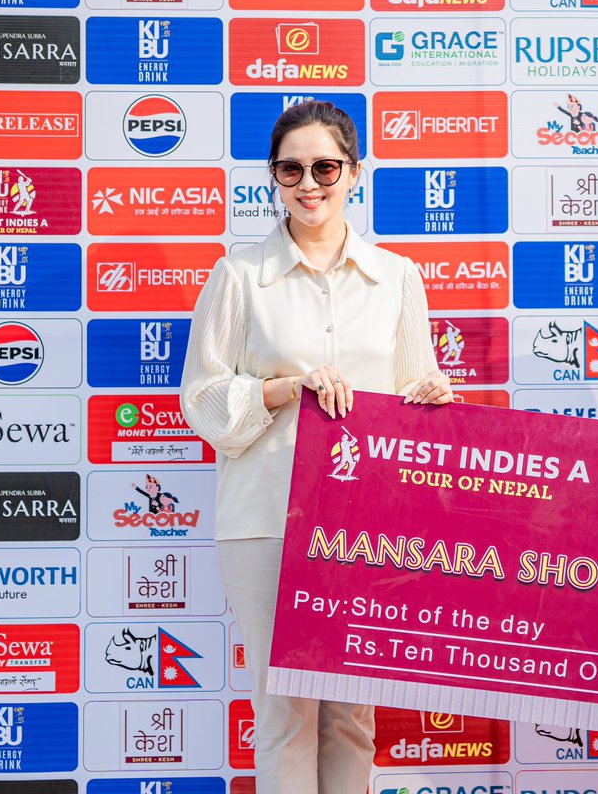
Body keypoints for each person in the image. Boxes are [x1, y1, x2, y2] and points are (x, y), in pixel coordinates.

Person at [180, 100, 453, 794]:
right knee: (286, 715)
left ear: (353, 172)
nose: (309, 183)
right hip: (266, 521)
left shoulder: (398, 278)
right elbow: (203, 402)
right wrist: (285, 388)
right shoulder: (238, 277)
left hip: (366, 528)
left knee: (352, 716)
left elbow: (412, 395)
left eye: (325, 166)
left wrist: (433, 402)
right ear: (272, 178)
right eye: (290, 169)